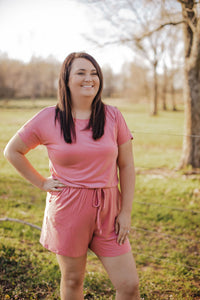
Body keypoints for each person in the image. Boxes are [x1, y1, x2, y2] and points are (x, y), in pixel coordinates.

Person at [4, 52, 140, 300]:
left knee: (129, 285)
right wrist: (42, 182)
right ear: (65, 79)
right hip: (68, 208)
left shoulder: (113, 116)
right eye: (81, 73)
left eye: (94, 73)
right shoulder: (48, 117)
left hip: (109, 208)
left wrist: (126, 211)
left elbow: (127, 165)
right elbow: (12, 151)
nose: (90, 78)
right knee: (73, 279)